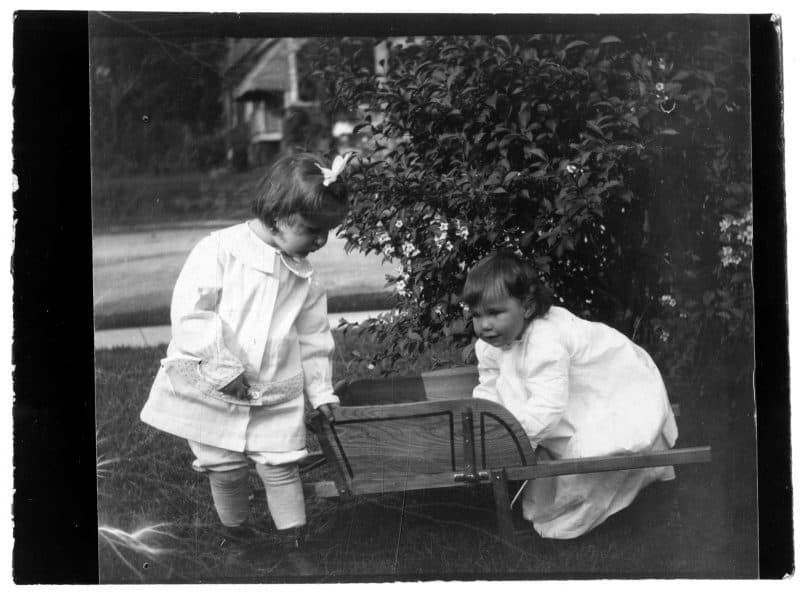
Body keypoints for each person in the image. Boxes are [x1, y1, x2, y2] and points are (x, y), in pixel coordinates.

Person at [140, 152, 354, 555]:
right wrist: (222, 366)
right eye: (313, 231)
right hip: (216, 384)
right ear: (277, 218)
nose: (321, 242)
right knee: (223, 464)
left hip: (275, 384)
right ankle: (235, 533)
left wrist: (322, 392)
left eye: (327, 232)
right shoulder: (219, 251)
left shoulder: (305, 278)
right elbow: (190, 312)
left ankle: (295, 540)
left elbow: (314, 338)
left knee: (280, 463)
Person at [463, 251, 678, 540]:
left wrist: (511, 441)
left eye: (494, 313)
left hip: (613, 387)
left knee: (599, 449)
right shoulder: (490, 345)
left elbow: (549, 406)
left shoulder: (545, 339)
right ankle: (561, 500)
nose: (484, 325)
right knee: (540, 431)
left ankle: (608, 512)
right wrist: (487, 425)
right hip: (567, 393)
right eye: (477, 315)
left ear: (526, 308)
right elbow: (490, 384)